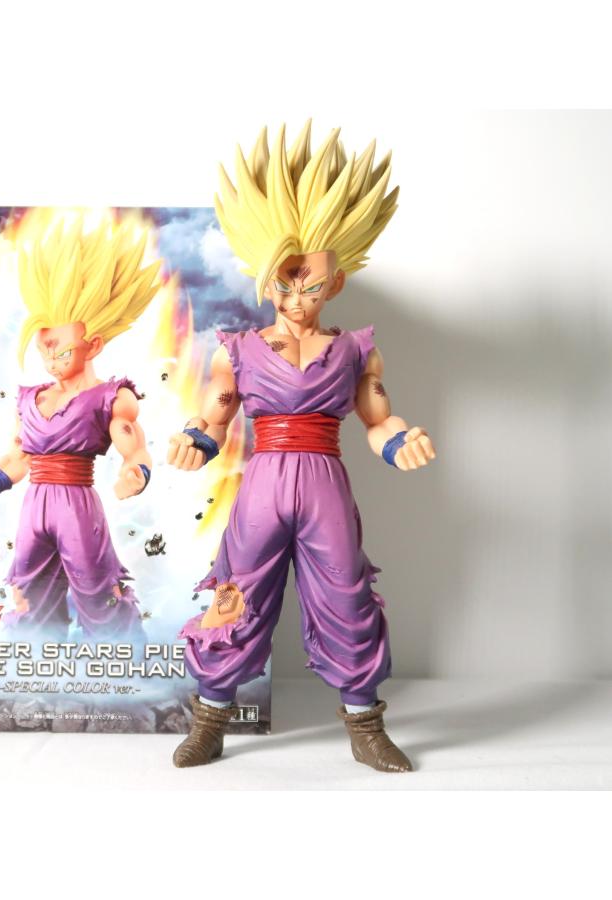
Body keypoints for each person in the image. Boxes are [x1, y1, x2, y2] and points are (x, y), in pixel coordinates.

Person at [169, 122, 436, 771]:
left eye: (310, 285)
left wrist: (398, 438)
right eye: (284, 284)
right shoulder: (239, 349)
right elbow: (216, 415)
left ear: (335, 283)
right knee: (236, 593)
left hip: (324, 483)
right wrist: (195, 441)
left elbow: (377, 417)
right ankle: (209, 719)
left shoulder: (354, 349)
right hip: (262, 484)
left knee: (347, 594)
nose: (295, 298)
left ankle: (366, 725)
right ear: (265, 280)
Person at [0, 213, 161, 638]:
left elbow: (135, 446)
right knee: (27, 596)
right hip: (34, 507)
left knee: (99, 595)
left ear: (93, 345)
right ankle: (35, 661)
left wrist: (136, 472)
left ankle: (122, 661)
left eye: (62, 351)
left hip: (77, 506)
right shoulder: (30, 398)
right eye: (44, 351)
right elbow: (19, 455)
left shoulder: (111, 396)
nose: (51, 361)